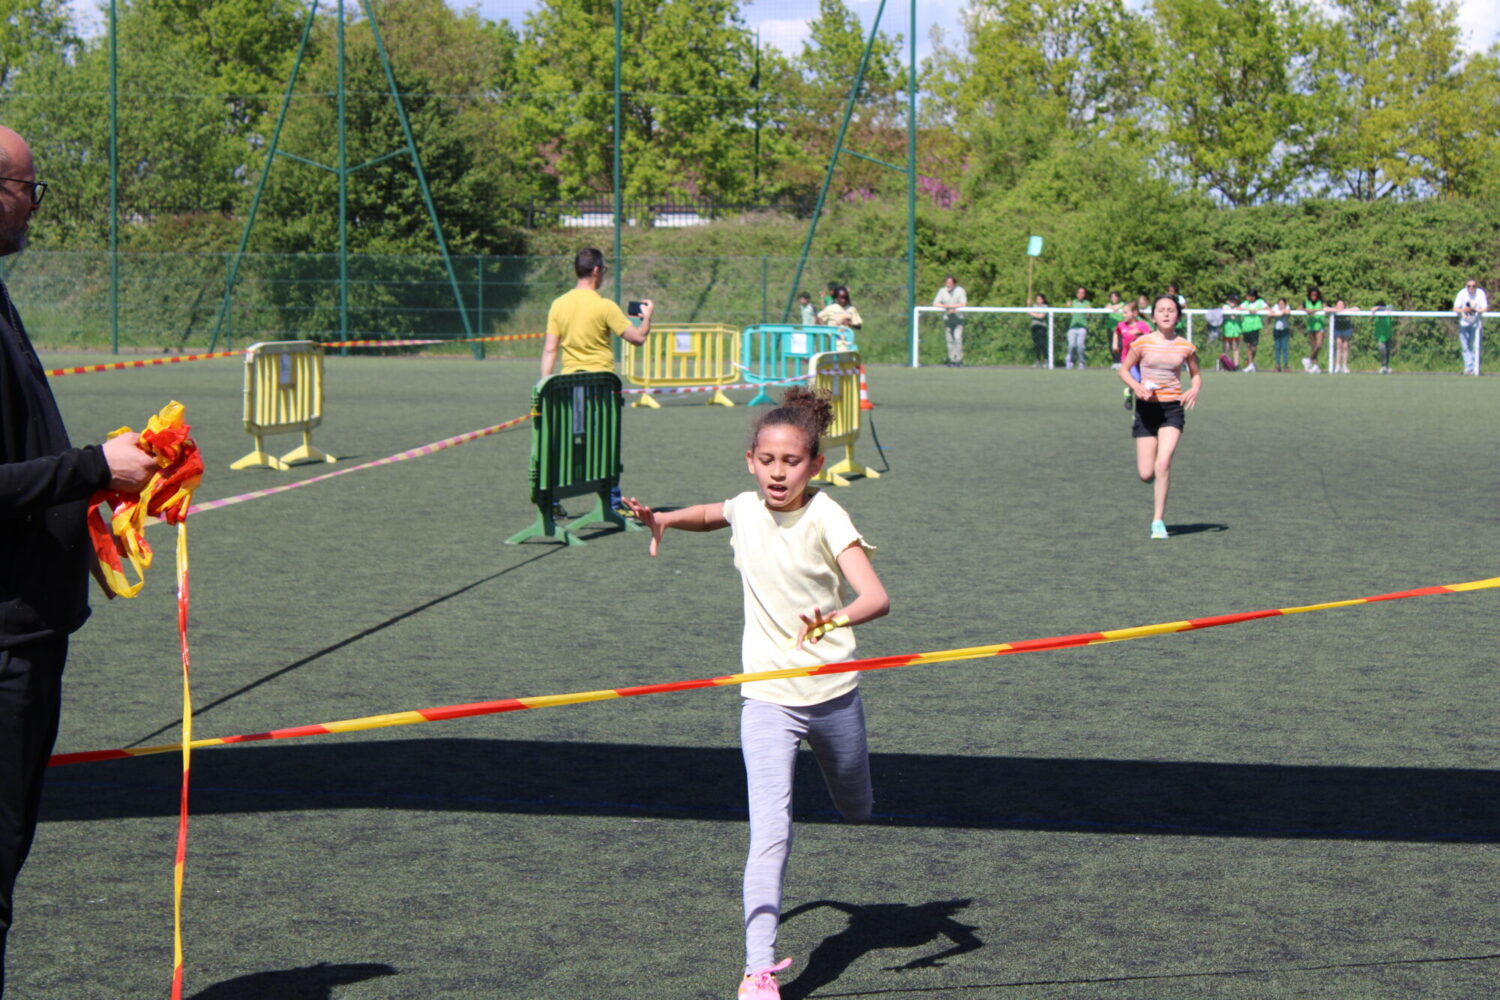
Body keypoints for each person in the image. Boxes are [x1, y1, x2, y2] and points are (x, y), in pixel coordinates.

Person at [621, 387, 890, 1000]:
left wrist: (834, 618)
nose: (778, 472)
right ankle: (758, 971)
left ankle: (854, 798)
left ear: (814, 465)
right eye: (767, 460)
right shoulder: (745, 507)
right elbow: (710, 513)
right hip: (767, 699)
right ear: (750, 461)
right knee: (770, 832)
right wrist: (664, 519)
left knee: (857, 808)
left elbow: (876, 597)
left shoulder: (827, 516)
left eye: (791, 461)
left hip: (833, 694)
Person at [0, 124, 159, 994]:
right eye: (30, 189)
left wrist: (95, 504)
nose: (35, 206)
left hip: (30, 626)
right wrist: (94, 467)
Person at [539, 247, 654, 514]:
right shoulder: (604, 306)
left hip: (568, 385)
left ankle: (552, 499)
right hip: (600, 384)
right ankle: (611, 502)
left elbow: (550, 349)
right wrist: (647, 318)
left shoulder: (558, 304)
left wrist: (544, 385)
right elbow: (637, 338)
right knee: (603, 441)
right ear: (596, 270)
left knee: (568, 440)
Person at [1118, 294, 1202, 540]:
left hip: (1172, 410)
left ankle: (1158, 521)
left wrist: (1194, 389)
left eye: (1171, 310)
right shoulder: (1142, 343)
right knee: (1146, 473)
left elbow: (1196, 374)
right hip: (1146, 410)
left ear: (1178, 316)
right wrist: (1136, 386)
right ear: (1153, 316)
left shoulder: (1185, 346)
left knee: (1163, 463)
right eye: (1161, 310)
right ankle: (1156, 476)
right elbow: (1124, 369)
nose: (1166, 314)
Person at [1113, 300, 1151, 409]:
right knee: (1137, 380)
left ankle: (1130, 393)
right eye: (1123, 312)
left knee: (1143, 382)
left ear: (1134, 313)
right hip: (1127, 359)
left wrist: (1139, 334)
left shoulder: (1142, 325)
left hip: (1141, 359)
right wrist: (1115, 344)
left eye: (1125, 312)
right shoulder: (1121, 325)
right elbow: (1116, 332)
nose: (1123, 315)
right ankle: (1132, 397)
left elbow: (1151, 336)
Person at [1453, 278, 1487, 375]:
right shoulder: (1462, 293)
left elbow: (1484, 308)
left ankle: (1476, 368)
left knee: (1475, 346)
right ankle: (1468, 368)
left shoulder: (1480, 293)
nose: (1471, 288)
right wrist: (1464, 310)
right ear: (1466, 286)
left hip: (1476, 324)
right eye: (1469, 286)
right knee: (1465, 347)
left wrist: (1474, 310)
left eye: (1473, 286)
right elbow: (1455, 308)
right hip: (1464, 324)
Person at [932, 275, 967, 367]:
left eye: (950, 283)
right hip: (948, 319)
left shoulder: (960, 290)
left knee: (957, 338)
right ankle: (952, 360)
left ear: (954, 284)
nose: (948, 285)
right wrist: (946, 307)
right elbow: (935, 303)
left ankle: (959, 360)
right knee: (949, 340)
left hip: (958, 319)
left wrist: (953, 308)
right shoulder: (942, 291)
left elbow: (963, 303)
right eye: (947, 283)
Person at [1240, 289, 1266, 372]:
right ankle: (1250, 364)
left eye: (1249, 296)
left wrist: (1256, 311)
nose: (1247, 297)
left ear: (1254, 297)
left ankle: (1251, 362)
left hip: (1255, 327)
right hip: (1246, 327)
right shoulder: (1245, 303)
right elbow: (1238, 308)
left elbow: (1268, 308)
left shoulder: (1260, 302)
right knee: (1248, 346)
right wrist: (1248, 310)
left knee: (1254, 346)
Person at [1065, 286, 1090, 370]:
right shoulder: (1073, 302)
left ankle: (1081, 362)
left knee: (1080, 345)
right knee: (1071, 345)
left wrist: (1089, 311)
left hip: (1082, 327)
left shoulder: (1087, 303)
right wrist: (1068, 307)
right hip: (1072, 327)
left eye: (1082, 293)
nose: (1081, 294)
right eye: (1079, 292)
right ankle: (1070, 361)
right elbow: (1069, 313)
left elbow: (1088, 315)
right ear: (1076, 294)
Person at [1301, 287, 1326, 373]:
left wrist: (1314, 310)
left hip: (1319, 325)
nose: (1314, 296)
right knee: (1313, 346)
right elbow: (1299, 308)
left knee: (1319, 345)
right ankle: (1315, 365)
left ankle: (1308, 359)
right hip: (1310, 326)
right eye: (1312, 295)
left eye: (1315, 295)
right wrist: (1306, 310)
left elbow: (1325, 308)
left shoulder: (1321, 301)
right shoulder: (1306, 301)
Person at [1329, 298, 1354, 373]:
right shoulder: (1334, 310)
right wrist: (1335, 309)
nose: (1340, 306)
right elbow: (1325, 309)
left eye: (1342, 304)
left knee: (1345, 346)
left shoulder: (1346, 311)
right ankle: (1337, 366)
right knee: (1339, 345)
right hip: (1337, 329)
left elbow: (1357, 309)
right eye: (1339, 304)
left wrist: (1346, 310)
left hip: (1346, 329)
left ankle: (1344, 366)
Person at [1269, 297, 1292, 372]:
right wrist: (1280, 313)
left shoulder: (1287, 306)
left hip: (1285, 330)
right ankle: (1277, 365)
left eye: (1282, 304)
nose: (1281, 305)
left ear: (1285, 304)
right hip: (1276, 330)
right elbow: (1270, 314)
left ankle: (1286, 365)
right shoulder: (1275, 307)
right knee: (1277, 347)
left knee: (1284, 347)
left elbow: (1287, 312)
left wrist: (1278, 313)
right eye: (1279, 304)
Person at [1221, 293, 1243, 370]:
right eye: (1232, 300)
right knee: (1226, 348)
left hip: (1235, 331)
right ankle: (1225, 364)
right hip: (1227, 331)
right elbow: (1226, 313)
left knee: (1235, 347)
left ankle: (1236, 365)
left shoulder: (1239, 308)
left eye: (1235, 301)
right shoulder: (1225, 307)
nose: (1233, 302)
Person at [1372, 301, 1394, 374]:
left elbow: (1392, 307)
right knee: (1382, 350)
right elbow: (1372, 309)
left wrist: (1386, 309)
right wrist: (1378, 308)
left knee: (1387, 351)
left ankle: (1386, 366)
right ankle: (1383, 366)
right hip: (1380, 336)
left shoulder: (1387, 311)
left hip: (1388, 334)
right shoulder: (1377, 313)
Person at [1028, 293, 1049, 367]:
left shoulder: (1045, 307)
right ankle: (1037, 360)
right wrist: (1028, 304)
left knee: (1042, 344)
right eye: (1037, 299)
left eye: (1040, 299)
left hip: (1042, 327)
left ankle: (1046, 360)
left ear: (1043, 300)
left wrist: (1032, 313)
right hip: (1034, 327)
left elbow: (1041, 316)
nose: (1038, 300)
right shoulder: (1034, 306)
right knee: (1036, 344)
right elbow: (1028, 312)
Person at [1105, 291, 1124, 367]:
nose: (1114, 298)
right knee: (1112, 345)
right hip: (1111, 328)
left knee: (1120, 344)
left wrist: (1113, 308)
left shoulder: (1122, 304)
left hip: (1120, 328)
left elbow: (1121, 307)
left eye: (1115, 296)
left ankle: (1121, 361)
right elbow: (1106, 308)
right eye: (1112, 297)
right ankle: (1115, 361)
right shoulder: (1109, 304)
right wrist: (1112, 308)